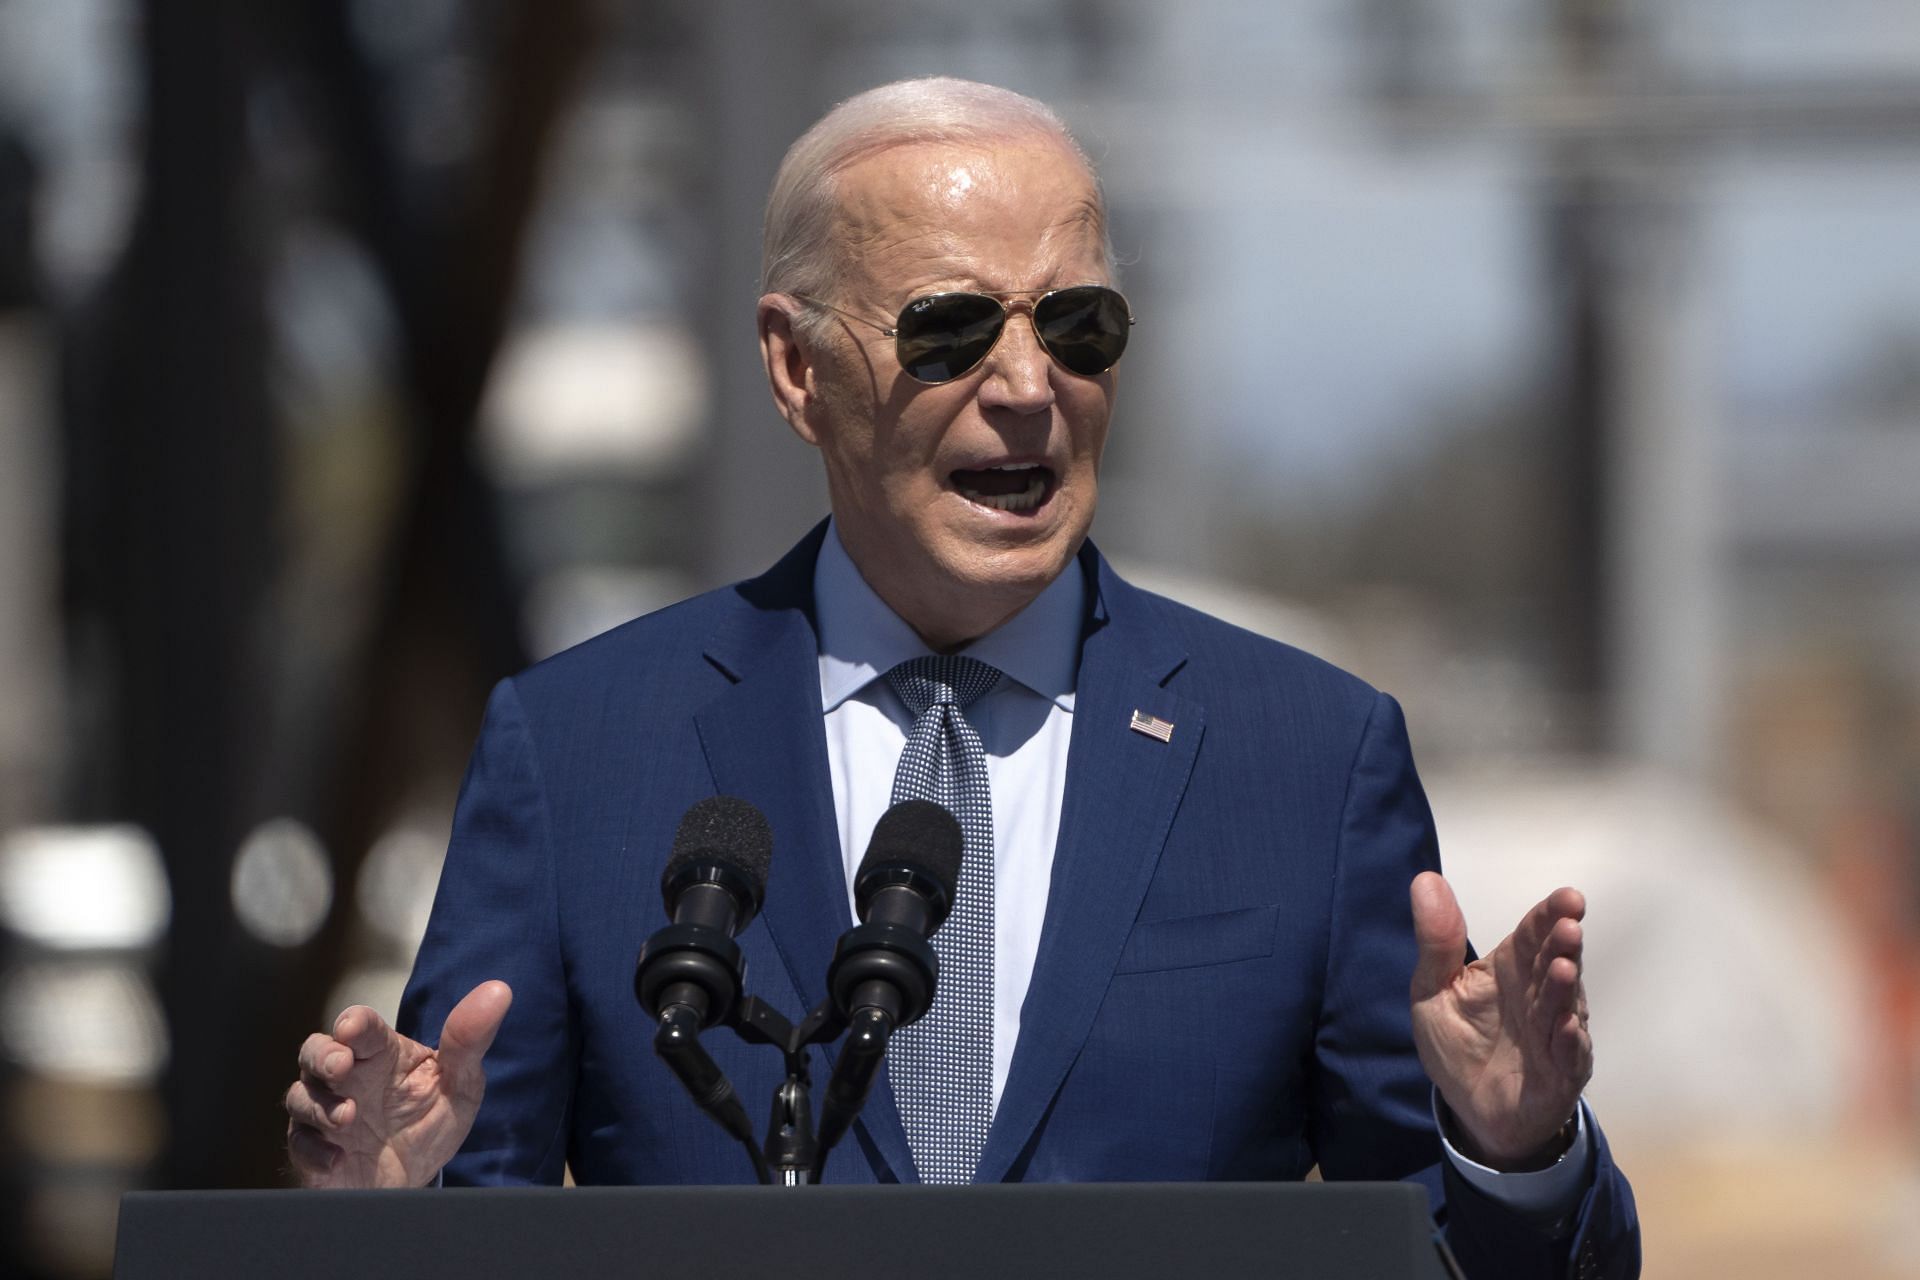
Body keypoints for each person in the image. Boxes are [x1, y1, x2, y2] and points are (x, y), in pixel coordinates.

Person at [284, 77, 1639, 1277]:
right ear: (794, 365)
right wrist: (383, 1219)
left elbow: (1433, 1253)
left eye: (1079, 326)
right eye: (948, 330)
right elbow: (482, 1207)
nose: (1028, 384)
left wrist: (1514, 1150)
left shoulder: (1304, 754)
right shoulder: (582, 748)